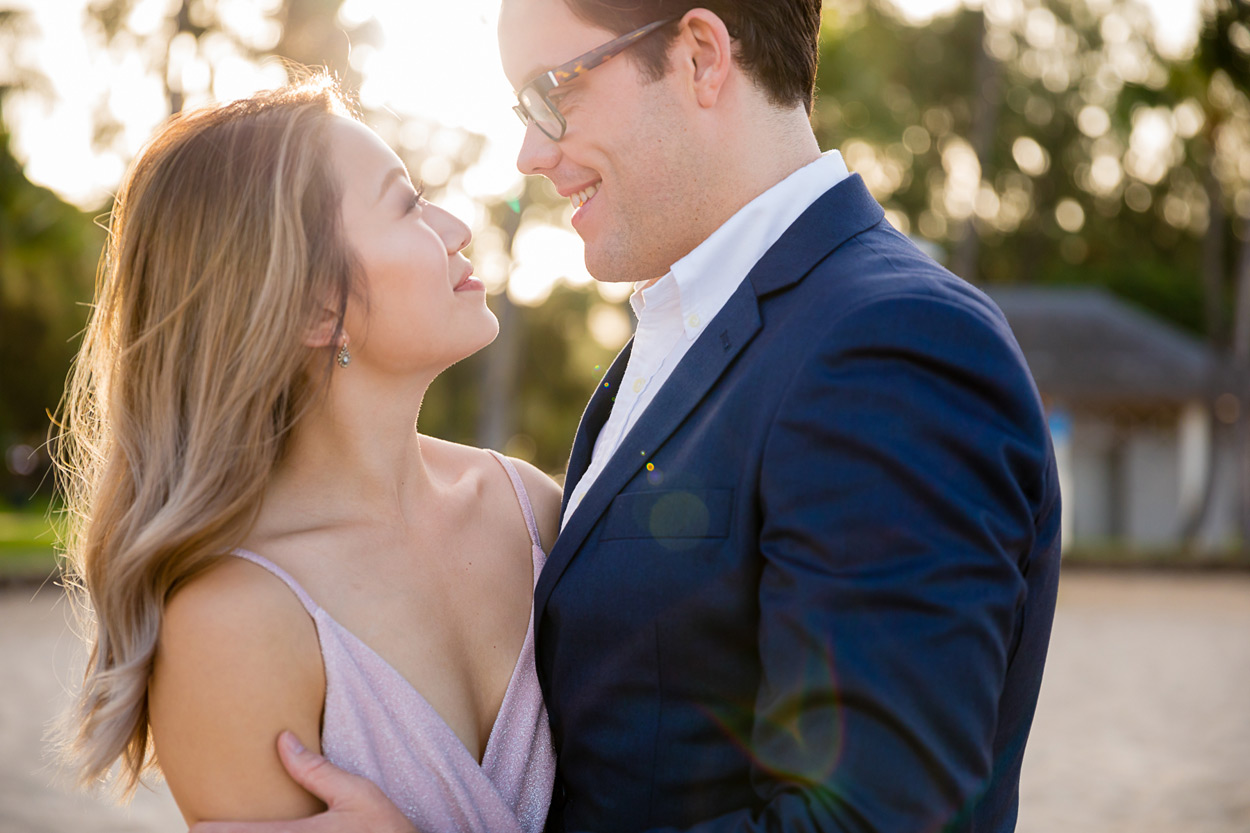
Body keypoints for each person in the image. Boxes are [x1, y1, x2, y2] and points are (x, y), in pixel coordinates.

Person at [198, 2, 1062, 832]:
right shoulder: (684, 340)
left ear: (699, 57)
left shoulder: (891, 347)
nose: (529, 153)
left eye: (551, 91)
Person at [55, 76, 560, 832]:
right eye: (408, 204)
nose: (456, 225)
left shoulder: (532, 508)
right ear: (317, 305)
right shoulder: (234, 623)